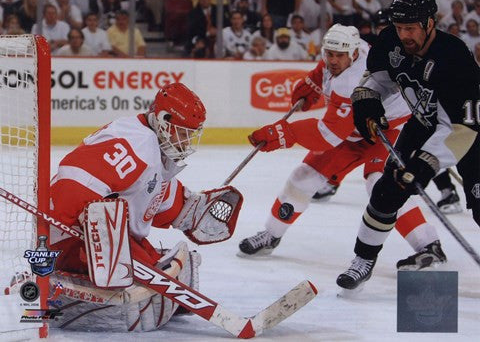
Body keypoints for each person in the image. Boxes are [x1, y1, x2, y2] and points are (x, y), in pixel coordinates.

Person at [238, 24, 448, 272]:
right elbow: (323, 71)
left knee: (382, 186)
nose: (333, 60)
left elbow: (327, 136)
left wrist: (286, 132)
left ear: (354, 55)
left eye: (339, 56)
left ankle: (428, 245)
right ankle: (271, 235)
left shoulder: (354, 80)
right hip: (353, 131)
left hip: (388, 131)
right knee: (302, 177)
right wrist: (313, 83)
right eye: (329, 54)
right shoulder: (343, 49)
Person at [47, 83, 243, 331]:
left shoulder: (149, 142)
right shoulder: (137, 145)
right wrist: (81, 229)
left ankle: (160, 293)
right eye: (182, 132)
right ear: (164, 119)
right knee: (149, 274)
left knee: (176, 265)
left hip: (94, 235)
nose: (186, 141)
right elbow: (72, 181)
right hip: (69, 238)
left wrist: (188, 210)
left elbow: (147, 191)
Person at [336, 0, 480, 290]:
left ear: (430, 23)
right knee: (387, 191)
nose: (403, 35)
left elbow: (461, 129)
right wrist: (367, 98)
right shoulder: (391, 40)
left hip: (469, 134)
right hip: (423, 124)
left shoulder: (455, 58)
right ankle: (363, 259)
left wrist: (427, 163)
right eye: (399, 27)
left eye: (410, 28)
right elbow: (380, 78)